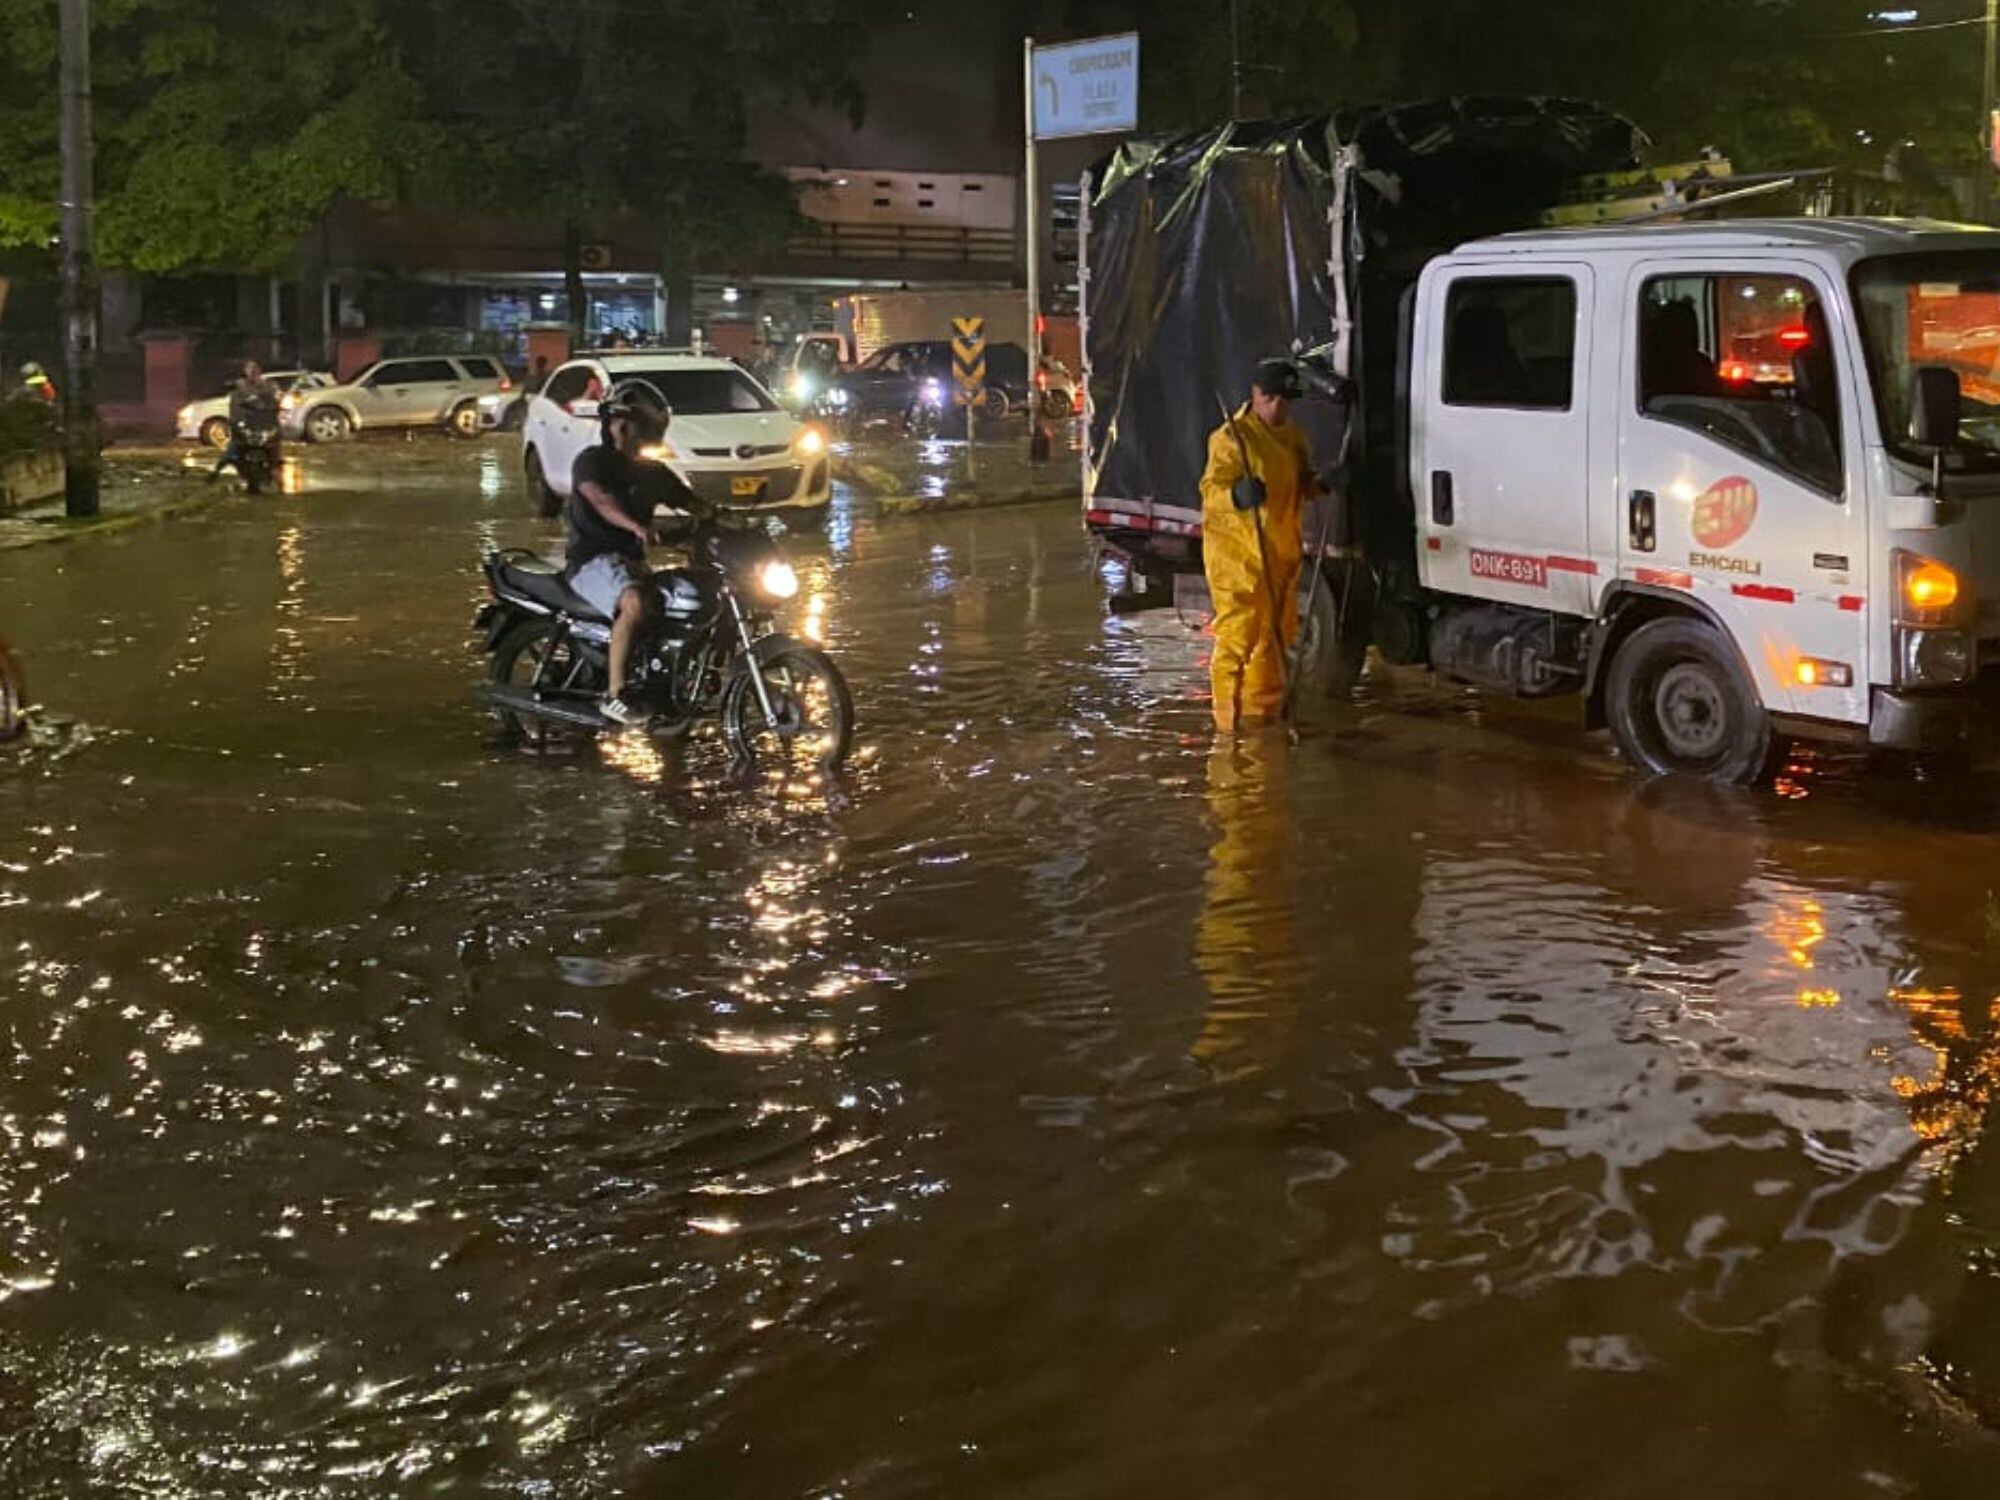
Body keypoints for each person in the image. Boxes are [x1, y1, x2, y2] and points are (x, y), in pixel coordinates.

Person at [563, 381, 701, 726]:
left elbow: (692, 503)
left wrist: (731, 519)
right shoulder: (591, 462)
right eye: (633, 425)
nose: (630, 432)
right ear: (617, 425)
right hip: (591, 562)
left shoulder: (651, 472)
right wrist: (636, 527)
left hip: (630, 561)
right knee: (635, 601)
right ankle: (616, 693)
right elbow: (601, 500)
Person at [1197, 358, 1320, 733]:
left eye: (1287, 400)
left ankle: (1260, 720)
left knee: (1274, 640)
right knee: (1237, 643)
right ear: (1256, 395)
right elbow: (1210, 490)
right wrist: (1237, 495)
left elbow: (1300, 484)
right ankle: (1228, 731)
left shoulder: (1292, 437)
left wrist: (1321, 483)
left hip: (1280, 556)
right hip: (1240, 560)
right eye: (1273, 400)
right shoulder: (1232, 438)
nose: (1280, 407)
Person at [209, 360, 280, 483]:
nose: (253, 372)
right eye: (250, 369)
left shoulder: (267, 385)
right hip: (244, 422)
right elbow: (234, 399)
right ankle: (215, 473)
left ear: (259, 370)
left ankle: (274, 471)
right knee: (231, 451)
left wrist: (273, 404)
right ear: (245, 371)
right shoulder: (240, 386)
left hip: (262, 423)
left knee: (273, 445)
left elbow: (275, 399)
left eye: (255, 369)